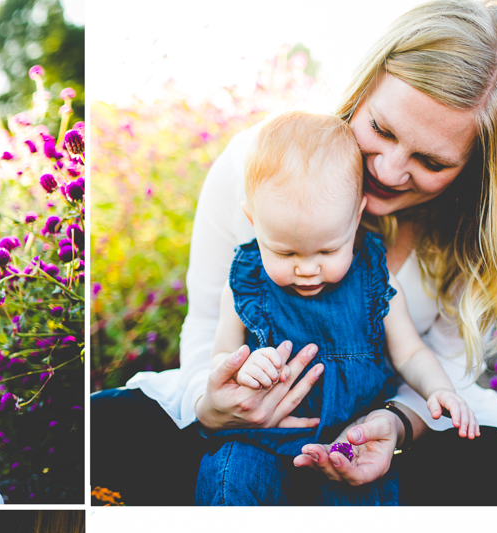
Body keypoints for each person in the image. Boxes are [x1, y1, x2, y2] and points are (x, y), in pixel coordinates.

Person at [91, 0, 497, 505]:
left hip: (369, 436)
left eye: (430, 161)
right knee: (103, 430)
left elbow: (437, 370)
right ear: (362, 89)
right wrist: (214, 409)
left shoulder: (478, 235)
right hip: (247, 428)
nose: (387, 168)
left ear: (478, 170)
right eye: (381, 129)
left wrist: (396, 429)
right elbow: (209, 329)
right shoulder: (259, 171)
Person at [197, 111, 477, 506]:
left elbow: (411, 351)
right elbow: (221, 356)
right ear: (253, 221)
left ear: (356, 217)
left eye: (328, 250)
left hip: (352, 440)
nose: (307, 268)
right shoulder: (244, 284)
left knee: (364, 495)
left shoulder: (375, 282)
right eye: (285, 251)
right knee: (230, 478)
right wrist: (242, 368)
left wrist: (439, 390)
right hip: (262, 435)